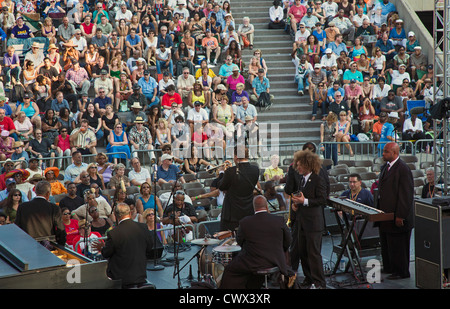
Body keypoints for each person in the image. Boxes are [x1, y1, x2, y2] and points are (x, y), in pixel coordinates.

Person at [220, 195, 292, 289]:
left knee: (230, 269)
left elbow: (240, 242)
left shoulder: (245, 222)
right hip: (276, 261)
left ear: (253, 207)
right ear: (266, 206)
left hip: (254, 262)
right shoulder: (279, 220)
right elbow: (288, 241)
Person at [93, 203, 154, 288]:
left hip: (121, 277)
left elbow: (106, 253)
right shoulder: (143, 227)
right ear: (129, 213)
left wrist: (102, 248)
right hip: (140, 273)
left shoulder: (114, 233)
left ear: (116, 215)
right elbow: (149, 247)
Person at [290, 149, 327, 289]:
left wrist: (304, 201)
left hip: (313, 224)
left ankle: (319, 283)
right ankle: (309, 278)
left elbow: (322, 200)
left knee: (314, 254)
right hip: (301, 222)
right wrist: (296, 205)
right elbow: (301, 199)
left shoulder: (318, 179)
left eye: (299, 165)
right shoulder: (301, 179)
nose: (297, 167)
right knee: (303, 252)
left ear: (307, 165)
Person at [377, 142, 414, 280]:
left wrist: (400, 216)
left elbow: (406, 195)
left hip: (398, 216)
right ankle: (390, 267)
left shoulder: (403, 169)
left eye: (386, 152)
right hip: (386, 215)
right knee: (388, 244)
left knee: (398, 246)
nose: (383, 154)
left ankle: (401, 271)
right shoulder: (385, 167)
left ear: (394, 153)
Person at [218, 146, 259, 231]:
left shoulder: (230, 171)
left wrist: (222, 172)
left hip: (232, 215)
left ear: (236, 156)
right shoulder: (255, 169)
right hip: (248, 212)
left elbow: (221, 187)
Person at [15, 181, 67, 245]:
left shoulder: (22, 207)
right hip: (48, 246)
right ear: (48, 194)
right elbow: (60, 229)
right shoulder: (54, 208)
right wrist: (61, 244)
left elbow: (17, 227)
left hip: (28, 245)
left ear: (35, 192)